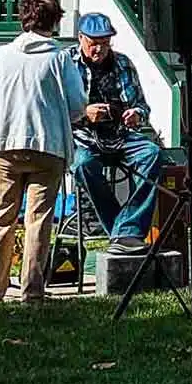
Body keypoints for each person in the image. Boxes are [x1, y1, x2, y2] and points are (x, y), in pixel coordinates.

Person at [0, 0, 86, 304]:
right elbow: (77, 106)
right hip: (47, 145)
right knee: (38, 219)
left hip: (3, 143)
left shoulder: (0, 55)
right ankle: (32, 291)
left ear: (23, 19)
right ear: (54, 21)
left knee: (1, 214)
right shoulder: (60, 58)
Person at [67, 13, 164, 253]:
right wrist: (84, 113)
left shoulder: (123, 63)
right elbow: (55, 108)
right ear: (80, 38)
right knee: (82, 164)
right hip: (82, 137)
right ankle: (123, 231)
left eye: (106, 42)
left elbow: (142, 106)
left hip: (120, 136)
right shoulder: (65, 62)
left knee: (151, 153)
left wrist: (136, 115)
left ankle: (127, 230)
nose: (100, 48)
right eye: (94, 42)